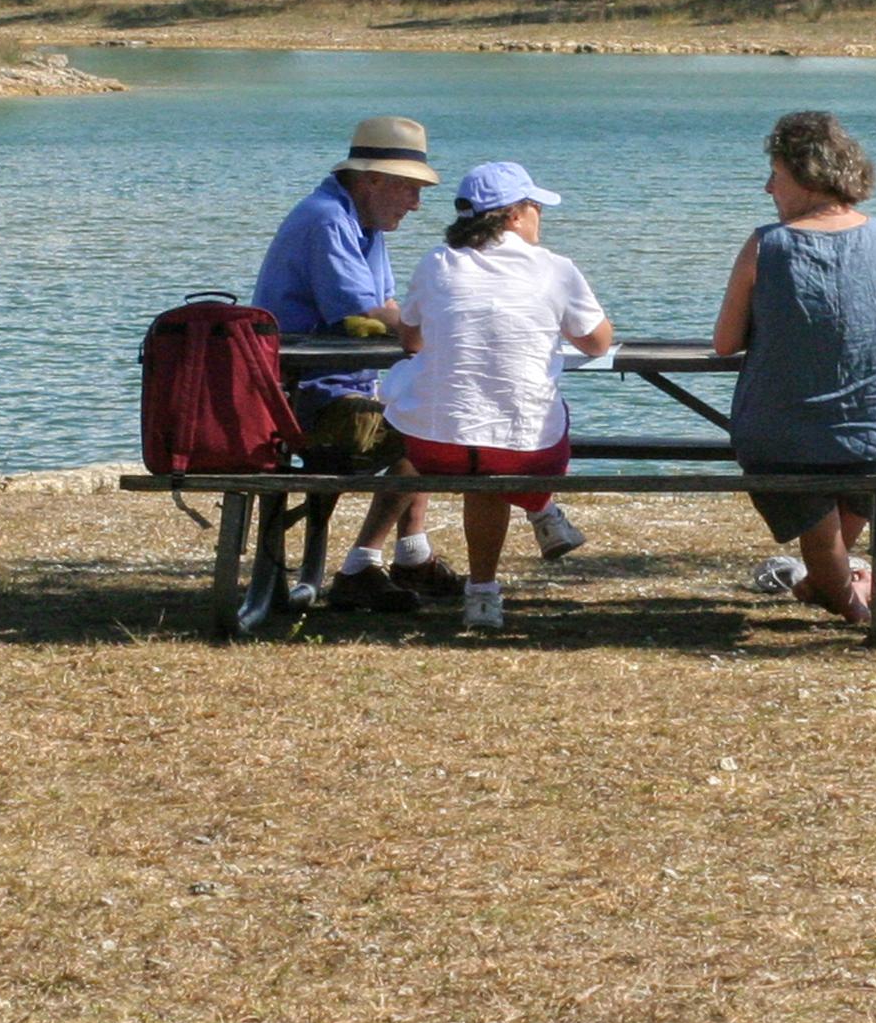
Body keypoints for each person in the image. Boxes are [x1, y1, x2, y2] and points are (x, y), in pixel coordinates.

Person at [385, 162, 616, 634]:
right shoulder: (555, 269)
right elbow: (597, 342)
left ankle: (487, 589)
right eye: (535, 208)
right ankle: (541, 511)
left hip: (432, 448)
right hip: (525, 453)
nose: (540, 218)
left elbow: (411, 340)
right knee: (518, 430)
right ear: (513, 215)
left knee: (478, 441)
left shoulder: (435, 263)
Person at [712, 109, 876, 627]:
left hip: (784, 436)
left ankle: (847, 605)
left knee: (802, 468)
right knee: (859, 468)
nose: (767, 188)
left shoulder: (766, 245)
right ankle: (823, 584)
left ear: (806, 178)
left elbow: (724, 343)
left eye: (776, 176)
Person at [251, 114, 457, 612]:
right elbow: (367, 310)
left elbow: (385, 310)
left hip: (339, 387)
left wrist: (420, 329)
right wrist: (445, 332)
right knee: (432, 426)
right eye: (409, 189)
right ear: (371, 180)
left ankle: (410, 555)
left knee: (432, 410)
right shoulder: (327, 219)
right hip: (305, 401)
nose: (415, 203)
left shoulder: (360, 222)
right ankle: (361, 566)